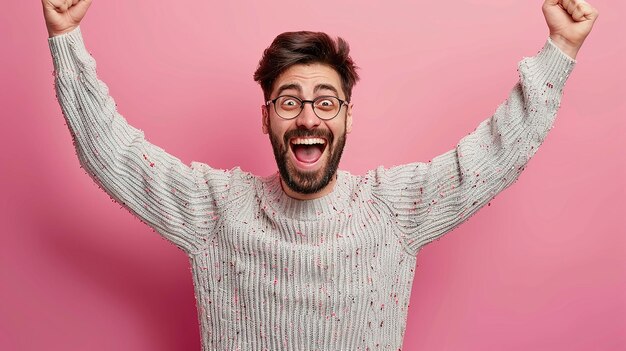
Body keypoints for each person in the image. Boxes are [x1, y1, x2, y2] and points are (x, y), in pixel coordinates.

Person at [42, 0, 598, 349]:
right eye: (290, 101)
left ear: (348, 116)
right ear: (266, 118)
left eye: (326, 102)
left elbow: (492, 157)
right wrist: (65, 39)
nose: (308, 116)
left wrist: (560, 48)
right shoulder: (216, 209)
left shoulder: (392, 209)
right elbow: (112, 154)